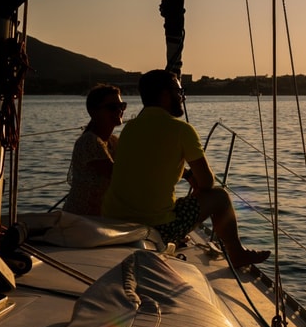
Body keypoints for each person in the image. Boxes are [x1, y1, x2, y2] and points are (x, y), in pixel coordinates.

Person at [101, 69, 270, 266]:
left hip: (113, 221)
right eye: (179, 91)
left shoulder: (130, 128)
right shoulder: (182, 130)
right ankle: (237, 253)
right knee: (220, 197)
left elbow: (151, 162)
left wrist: (187, 174)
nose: (183, 97)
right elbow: (207, 183)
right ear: (165, 94)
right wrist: (197, 183)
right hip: (154, 227)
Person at [62, 84, 125, 216]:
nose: (119, 110)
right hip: (81, 219)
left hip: (100, 218)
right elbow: (117, 175)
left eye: (122, 106)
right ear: (93, 111)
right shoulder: (89, 141)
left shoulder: (113, 141)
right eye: (113, 107)